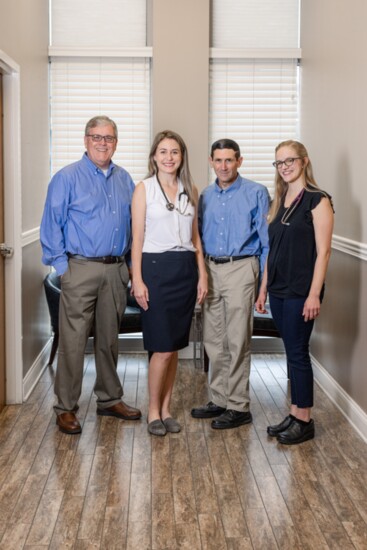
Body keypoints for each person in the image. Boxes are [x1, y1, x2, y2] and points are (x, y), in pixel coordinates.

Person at [40, 115, 142, 435]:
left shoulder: (125, 179)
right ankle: (66, 407)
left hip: (115, 269)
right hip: (79, 268)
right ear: (86, 141)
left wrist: (127, 265)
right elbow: (50, 226)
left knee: (109, 339)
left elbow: (133, 226)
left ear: (116, 142)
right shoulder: (66, 178)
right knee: (73, 341)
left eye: (108, 138)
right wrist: (64, 269)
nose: (102, 143)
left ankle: (109, 399)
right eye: (96, 137)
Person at [255, 140, 334, 445]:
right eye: (279, 162)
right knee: (289, 352)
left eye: (290, 160)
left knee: (298, 353)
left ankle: (305, 420)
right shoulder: (280, 200)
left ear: (304, 161)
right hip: (278, 289)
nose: (284, 166)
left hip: (302, 291)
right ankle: (293, 413)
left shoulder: (319, 200)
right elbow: (271, 251)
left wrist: (314, 294)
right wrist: (263, 290)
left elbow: (324, 252)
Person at [131, 130, 208, 436]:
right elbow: (136, 239)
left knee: (175, 347)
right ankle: (152, 411)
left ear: (181, 156)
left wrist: (202, 274)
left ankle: (166, 408)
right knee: (161, 347)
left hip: (185, 270)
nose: (168, 157)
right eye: (163, 151)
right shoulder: (144, 189)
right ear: (154, 156)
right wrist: (137, 279)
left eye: (174, 152)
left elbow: (196, 238)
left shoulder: (191, 189)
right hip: (155, 269)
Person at [191, 139, 270, 429]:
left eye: (229, 160)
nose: (224, 166)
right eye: (218, 160)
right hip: (211, 268)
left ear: (239, 161)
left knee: (237, 338)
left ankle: (238, 405)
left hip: (241, 268)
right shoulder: (206, 196)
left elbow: (266, 244)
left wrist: (263, 286)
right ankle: (219, 399)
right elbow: (197, 237)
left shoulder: (256, 193)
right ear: (211, 161)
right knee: (213, 338)